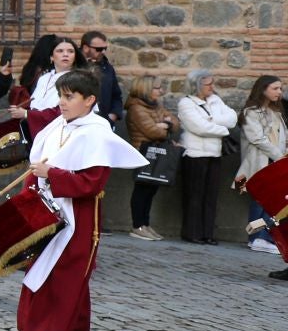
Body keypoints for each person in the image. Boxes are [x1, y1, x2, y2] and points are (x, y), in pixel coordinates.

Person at [11, 67, 146, 331]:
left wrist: (52, 175)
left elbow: (92, 182)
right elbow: (37, 167)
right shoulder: (58, 125)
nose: (62, 102)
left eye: (69, 96)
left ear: (89, 100)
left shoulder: (97, 133)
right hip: (48, 211)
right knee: (53, 277)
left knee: (66, 281)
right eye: (60, 95)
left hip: (78, 219)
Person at [176, 71, 237, 245]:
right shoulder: (186, 103)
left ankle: (207, 233)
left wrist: (212, 119)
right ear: (197, 86)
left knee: (210, 196)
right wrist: (223, 130)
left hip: (214, 154)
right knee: (194, 196)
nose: (212, 87)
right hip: (195, 155)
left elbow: (232, 118)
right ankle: (192, 232)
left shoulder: (215, 100)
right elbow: (199, 127)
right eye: (208, 84)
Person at [235, 76, 287, 254]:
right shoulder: (251, 112)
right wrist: (279, 155)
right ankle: (256, 237)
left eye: (280, 89)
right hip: (259, 161)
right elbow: (257, 138)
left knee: (273, 202)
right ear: (263, 89)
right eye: (275, 88)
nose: (279, 92)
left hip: (276, 162)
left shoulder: (276, 113)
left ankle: (266, 236)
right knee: (259, 200)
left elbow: (282, 137)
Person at [124, 76, 176, 242]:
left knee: (150, 191)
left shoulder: (155, 105)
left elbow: (175, 121)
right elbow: (152, 131)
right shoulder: (136, 108)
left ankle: (145, 224)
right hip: (143, 153)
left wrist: (166, 125)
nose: (160, 91)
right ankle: (137, 225)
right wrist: (164, 125)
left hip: (156, 152)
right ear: (146, 89)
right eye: (157, 88)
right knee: (142, 190)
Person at [80, 31, 124, 127]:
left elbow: (116, 95)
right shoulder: (74, 65)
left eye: (105, 48)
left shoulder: (107, 68)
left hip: (104, 124)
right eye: (99, 49)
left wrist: (111, 118)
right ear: (86, 48)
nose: (103, 52)